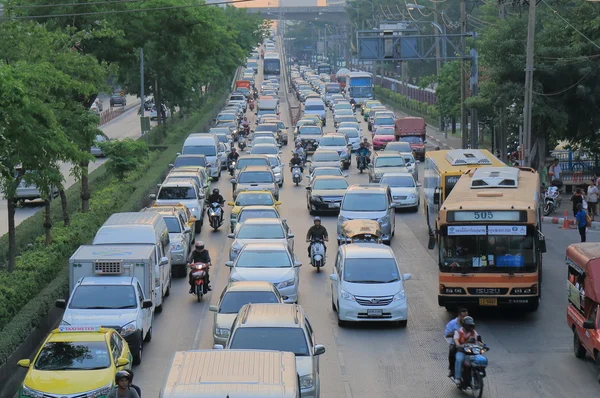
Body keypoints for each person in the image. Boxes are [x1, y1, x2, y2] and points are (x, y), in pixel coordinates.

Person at [453, 316, 483, 386]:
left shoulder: (473, 332)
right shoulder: (458, 332)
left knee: (479, 360)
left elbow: (479, 340)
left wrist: (482, 345)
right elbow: (456, 340)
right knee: (459, 359)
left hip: (472, 351)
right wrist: (458, 345)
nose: (470, 328)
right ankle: (457, 377)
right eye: (469, 326)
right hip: (462, 351)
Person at [444, 308, 469, 378]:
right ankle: (452, 370)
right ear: (459, 316)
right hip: (456, 344)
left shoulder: (468, 323)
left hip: (467, 344)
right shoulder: (452, 323)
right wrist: (457, 333)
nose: (465, 318)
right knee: (452, 351)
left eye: (466, 316)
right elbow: (446, 334)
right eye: (463, 316)